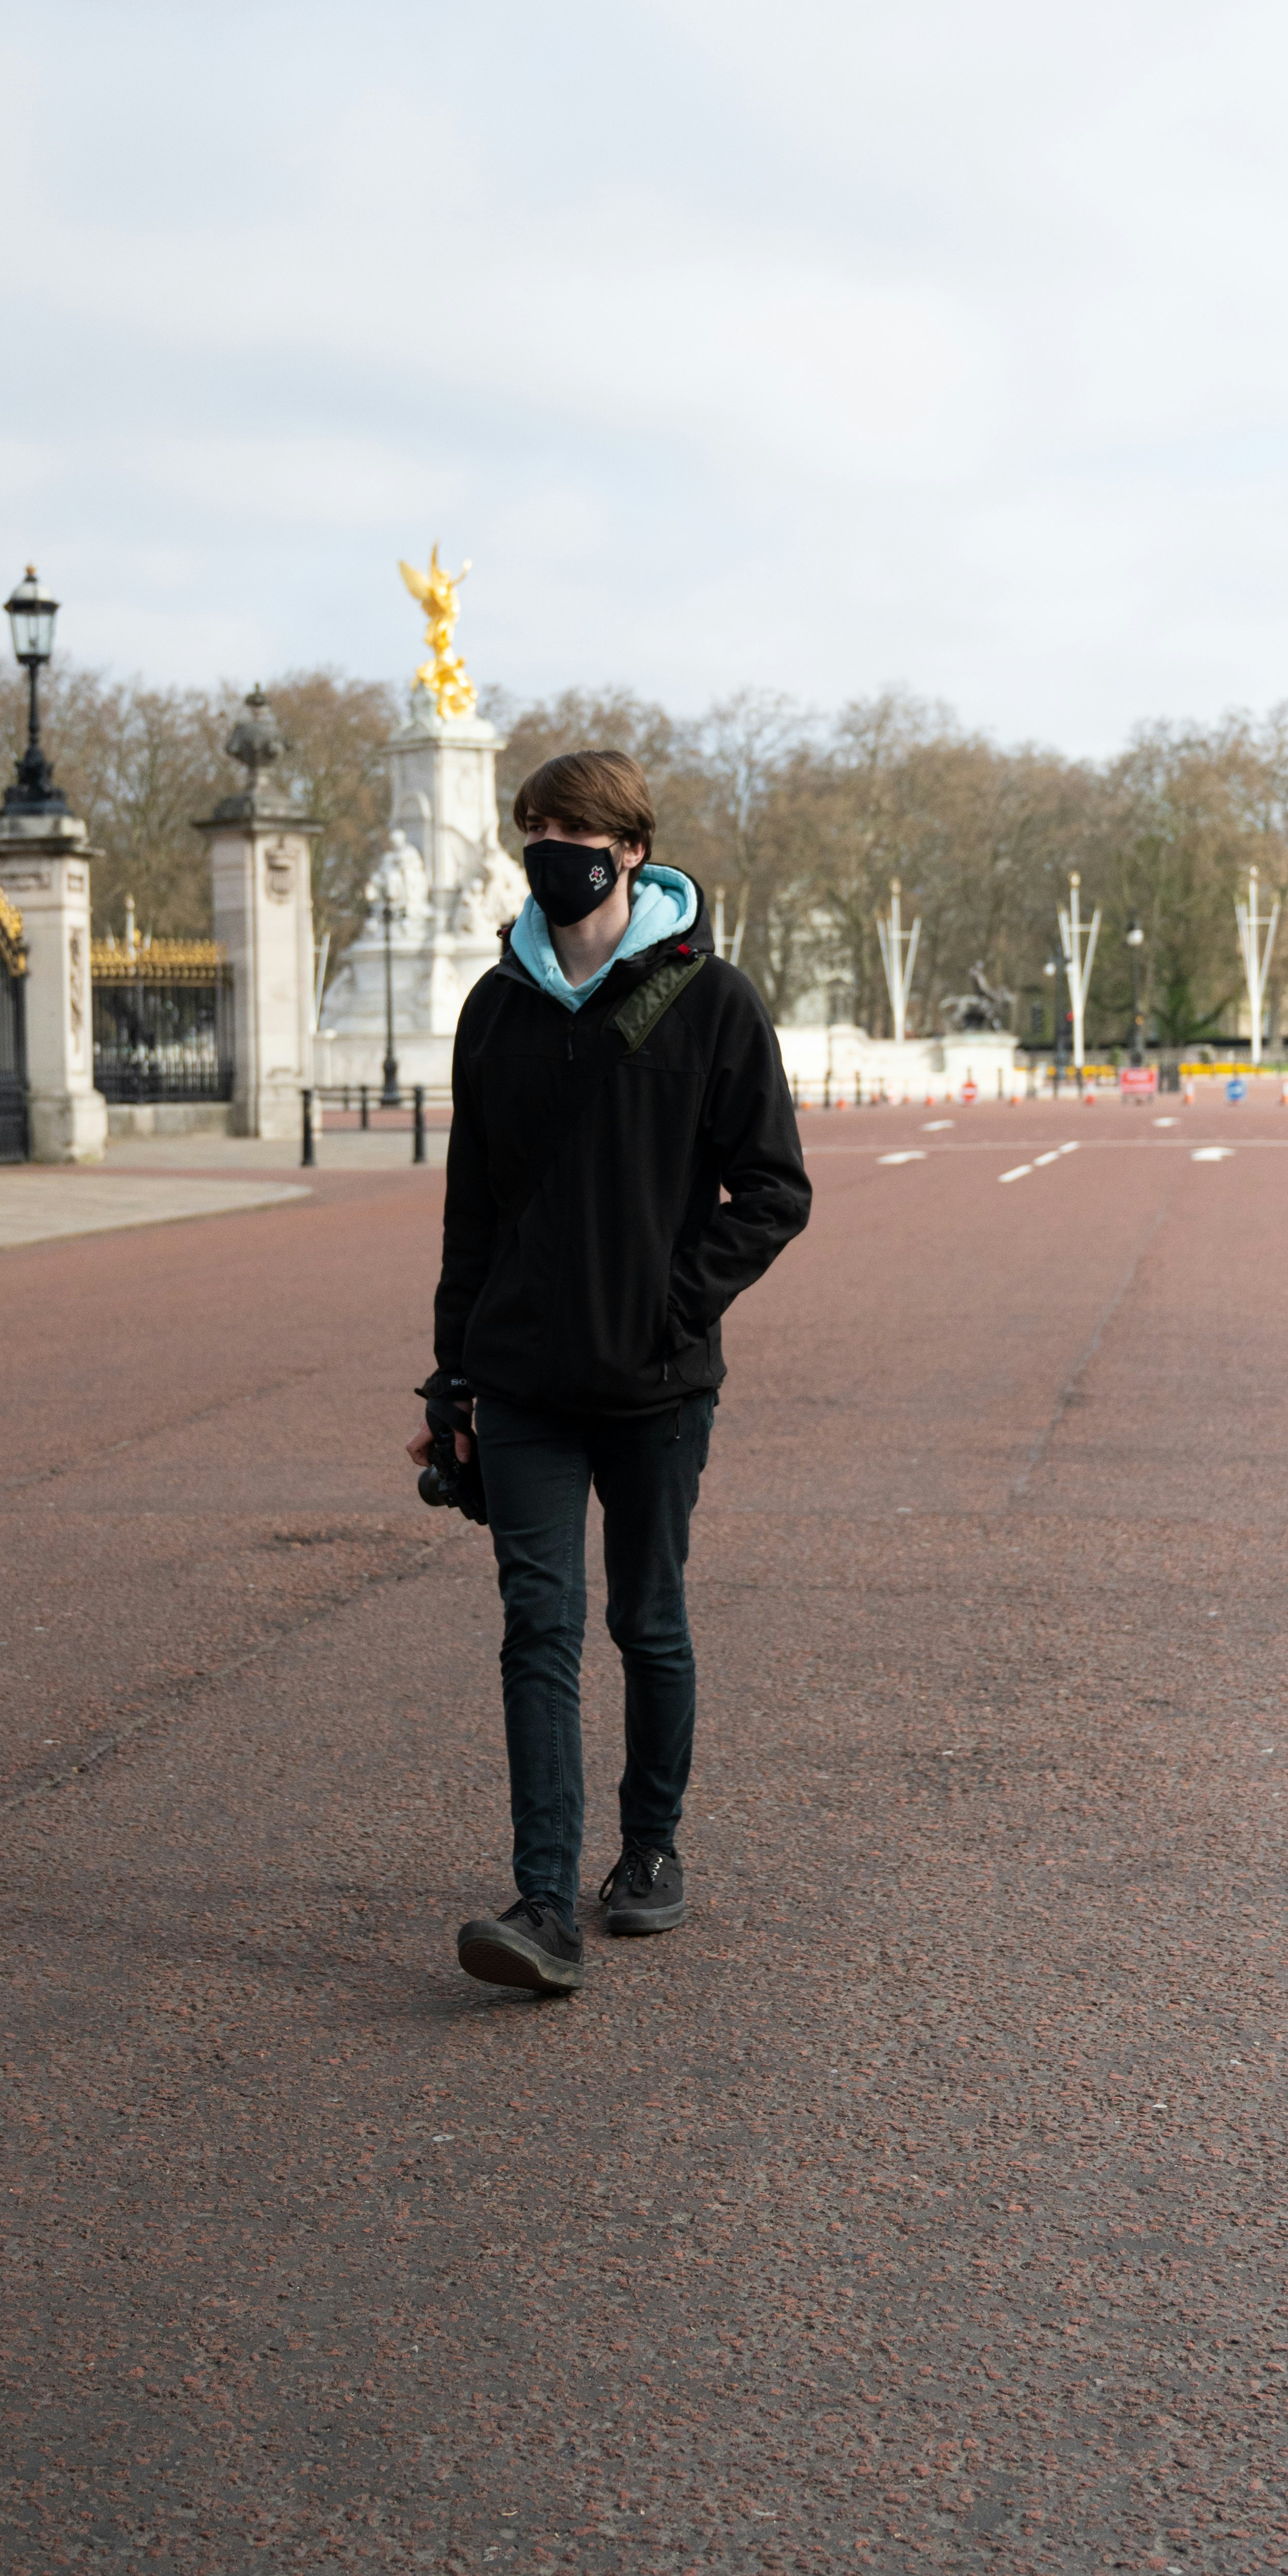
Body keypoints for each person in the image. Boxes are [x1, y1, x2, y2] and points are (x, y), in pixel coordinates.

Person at [406, 748, 812, 1995]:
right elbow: (470, 1211)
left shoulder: (711, 999)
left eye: (571, 829)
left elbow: (774, 1192)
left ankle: (647, 1854)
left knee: (646, 1623)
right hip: (523, 1378)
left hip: (655, 1384)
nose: (549, 849)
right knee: (539, 1628)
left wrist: (669, 1306)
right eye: (532, 829)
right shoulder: (493, 1005)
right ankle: (541, 1902)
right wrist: (449, 1382)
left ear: (629, 846)